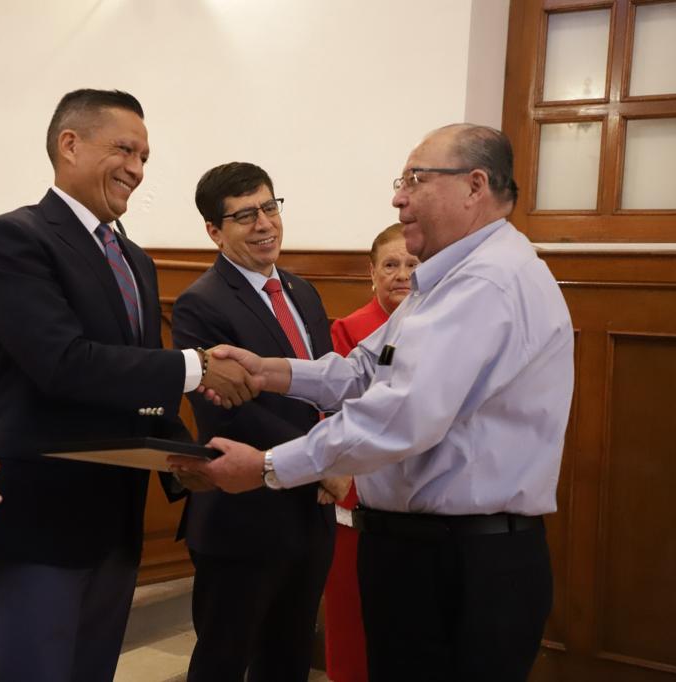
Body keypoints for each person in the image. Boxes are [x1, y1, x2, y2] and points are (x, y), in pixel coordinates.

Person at [171, 124, 575, 682]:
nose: (398, 197)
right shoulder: (448, 277)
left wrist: (268, 467)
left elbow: (401, 416)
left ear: (474, 186)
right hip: (428, 552)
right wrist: (270, 373)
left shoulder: (486, 283)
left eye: (415, 179)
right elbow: (365, 369)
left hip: (464, 561)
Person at [0, 89, 254, 682]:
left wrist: (187, 457)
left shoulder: (134, 259)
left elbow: (136, 381)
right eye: (124, 148)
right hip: (38, 519)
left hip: (112, 525)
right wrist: (196, 367)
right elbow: (63, 364)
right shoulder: (16, 238)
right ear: (69, 144)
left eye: (145, 157)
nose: (137, 169)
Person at [171, 162, 343, 682]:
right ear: (214, 231)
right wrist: (321, 460)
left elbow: (328, 382)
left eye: (270, 207)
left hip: (311, 510)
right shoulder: (200, 304)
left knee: (289, 658)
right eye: (245, 215)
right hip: (244, 513)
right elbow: (229, 409)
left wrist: (335, 451)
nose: (265, 224)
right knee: (224, 659)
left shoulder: (302, 291)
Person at [324, 222, 419, 682]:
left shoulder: (439, 323)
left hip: (421, 500)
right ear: (372, 273)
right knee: (352, 621)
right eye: (391, 265)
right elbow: (340, 413)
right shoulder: (351, 330)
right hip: (358, 496)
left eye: (412, 264)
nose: (402, 274)